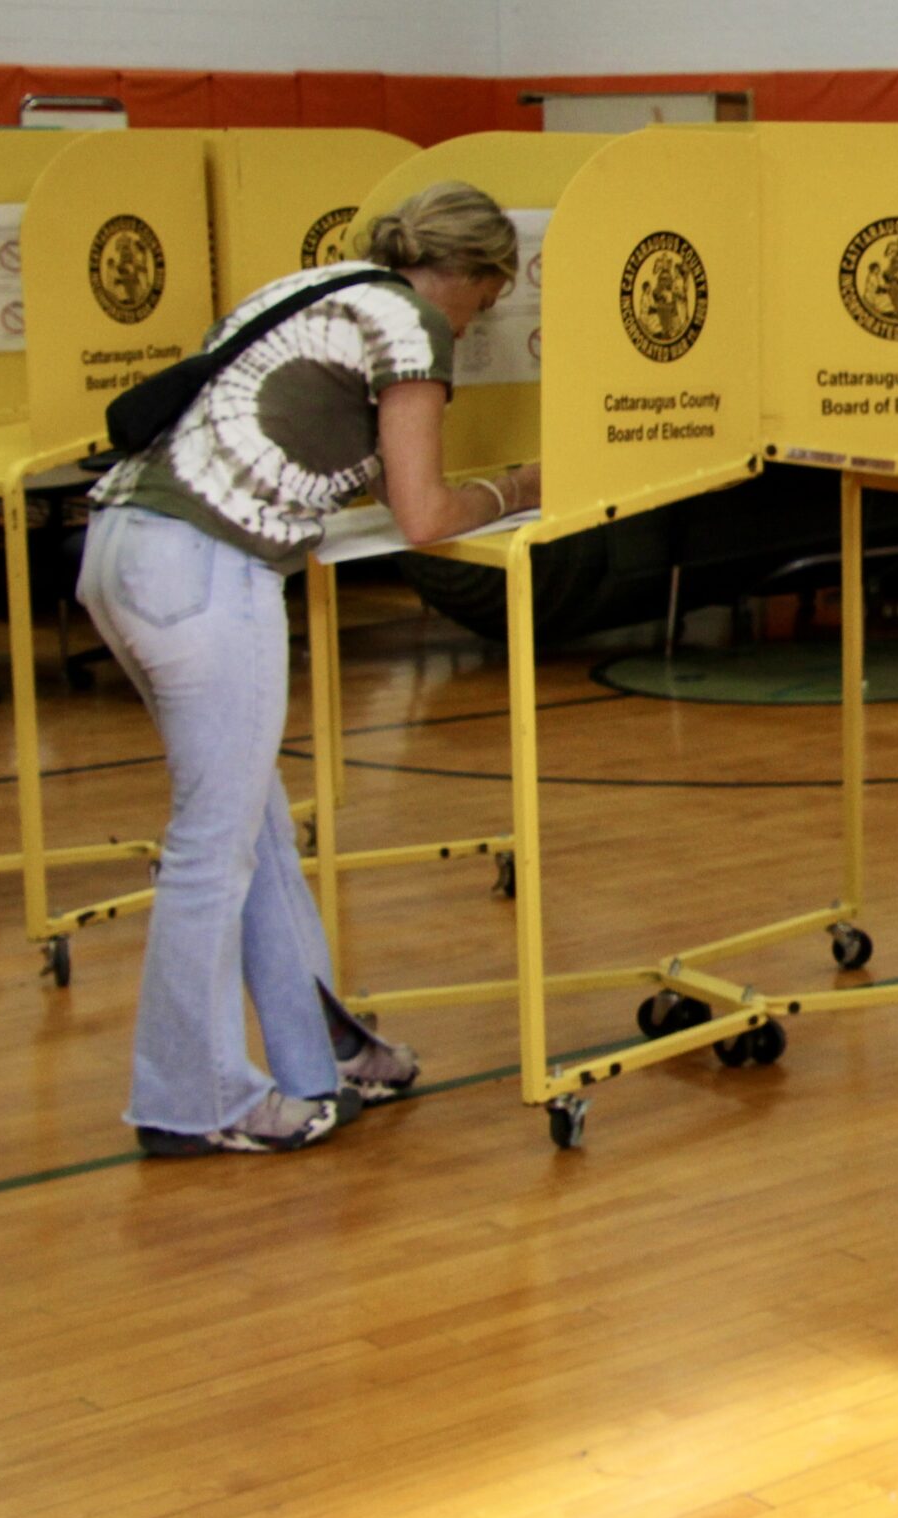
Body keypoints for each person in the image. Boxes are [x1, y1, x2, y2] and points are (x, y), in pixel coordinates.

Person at [82, 181, 542, 1156]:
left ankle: (320, 1057)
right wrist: (519, 486)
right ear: (479, 278)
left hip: (121, 548)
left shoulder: (321, 287)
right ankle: (192, 1101)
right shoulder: (415, 326)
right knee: (214, 847)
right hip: (207, 570)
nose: (481, 317)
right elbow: (422, 514)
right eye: (490, 300)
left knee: (252, 831)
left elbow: (353, 457)